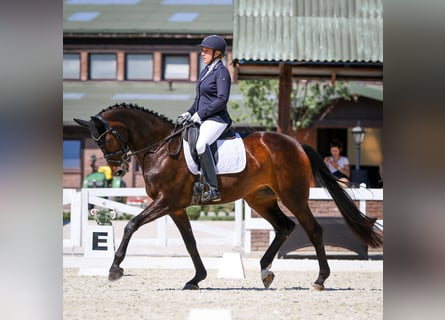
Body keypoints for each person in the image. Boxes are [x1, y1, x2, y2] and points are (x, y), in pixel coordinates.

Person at [177, 35, 232, 202]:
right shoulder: (205, 71)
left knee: (201, 145)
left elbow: (221, 100)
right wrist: (189, 112)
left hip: (217, 119)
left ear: (217, 53)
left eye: (206, 51)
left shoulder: (222, 72)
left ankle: (213, 188)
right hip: (203, 118)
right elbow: (199, 99)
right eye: (203, 50)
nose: (203, 54)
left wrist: (200, 114)